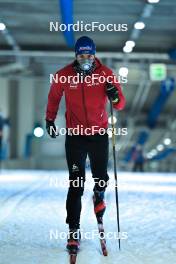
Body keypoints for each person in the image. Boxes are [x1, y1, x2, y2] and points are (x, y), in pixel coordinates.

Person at [45, 36, 126, 252]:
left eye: (89, 55)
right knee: (76, 184)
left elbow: (120, 104)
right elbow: (53, 97)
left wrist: (114, 95)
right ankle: (73, 231)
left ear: (94, 54)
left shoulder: (106, 74)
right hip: (75, 137)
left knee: (101, 179)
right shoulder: (64, 75)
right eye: (81, 55)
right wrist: (50, 119)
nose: (86, 59)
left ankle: (99, 195)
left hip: (98, 135)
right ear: (76, 55)